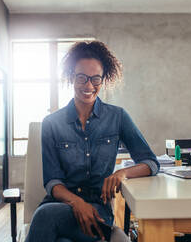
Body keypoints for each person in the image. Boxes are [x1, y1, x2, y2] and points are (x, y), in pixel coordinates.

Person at [25, 41, 159, 242]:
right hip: (59, 207)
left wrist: (121, 173)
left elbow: (150, 162)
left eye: (95, 78)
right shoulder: (51, 123)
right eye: (81, 77)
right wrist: (77, 203)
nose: (88, 86)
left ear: (103, 79)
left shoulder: (118, 117)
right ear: (72, 77)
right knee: (52, 224)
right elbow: (52, 182)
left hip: (97, 212)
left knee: (46, 220)